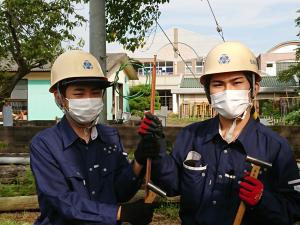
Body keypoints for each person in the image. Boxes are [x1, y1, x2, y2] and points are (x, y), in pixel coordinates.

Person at [135, 42, 300, 225]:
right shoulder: (191, 135)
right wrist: (156, 149)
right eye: (218, 84)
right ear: (208, 92)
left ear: (254, 88)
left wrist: (263, 199)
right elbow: (172, 186)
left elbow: (294, 208)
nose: (227, 91)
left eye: (237, 83)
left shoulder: (275, 147)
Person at [30, 50, 155, 225]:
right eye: (79, 94)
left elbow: (120, 192)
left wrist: (139, 162)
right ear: (60, 98)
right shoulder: (45, 145)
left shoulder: (110, 137)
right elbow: (63, 202)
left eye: (95, 93)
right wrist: (119, 213)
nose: (89, 100)